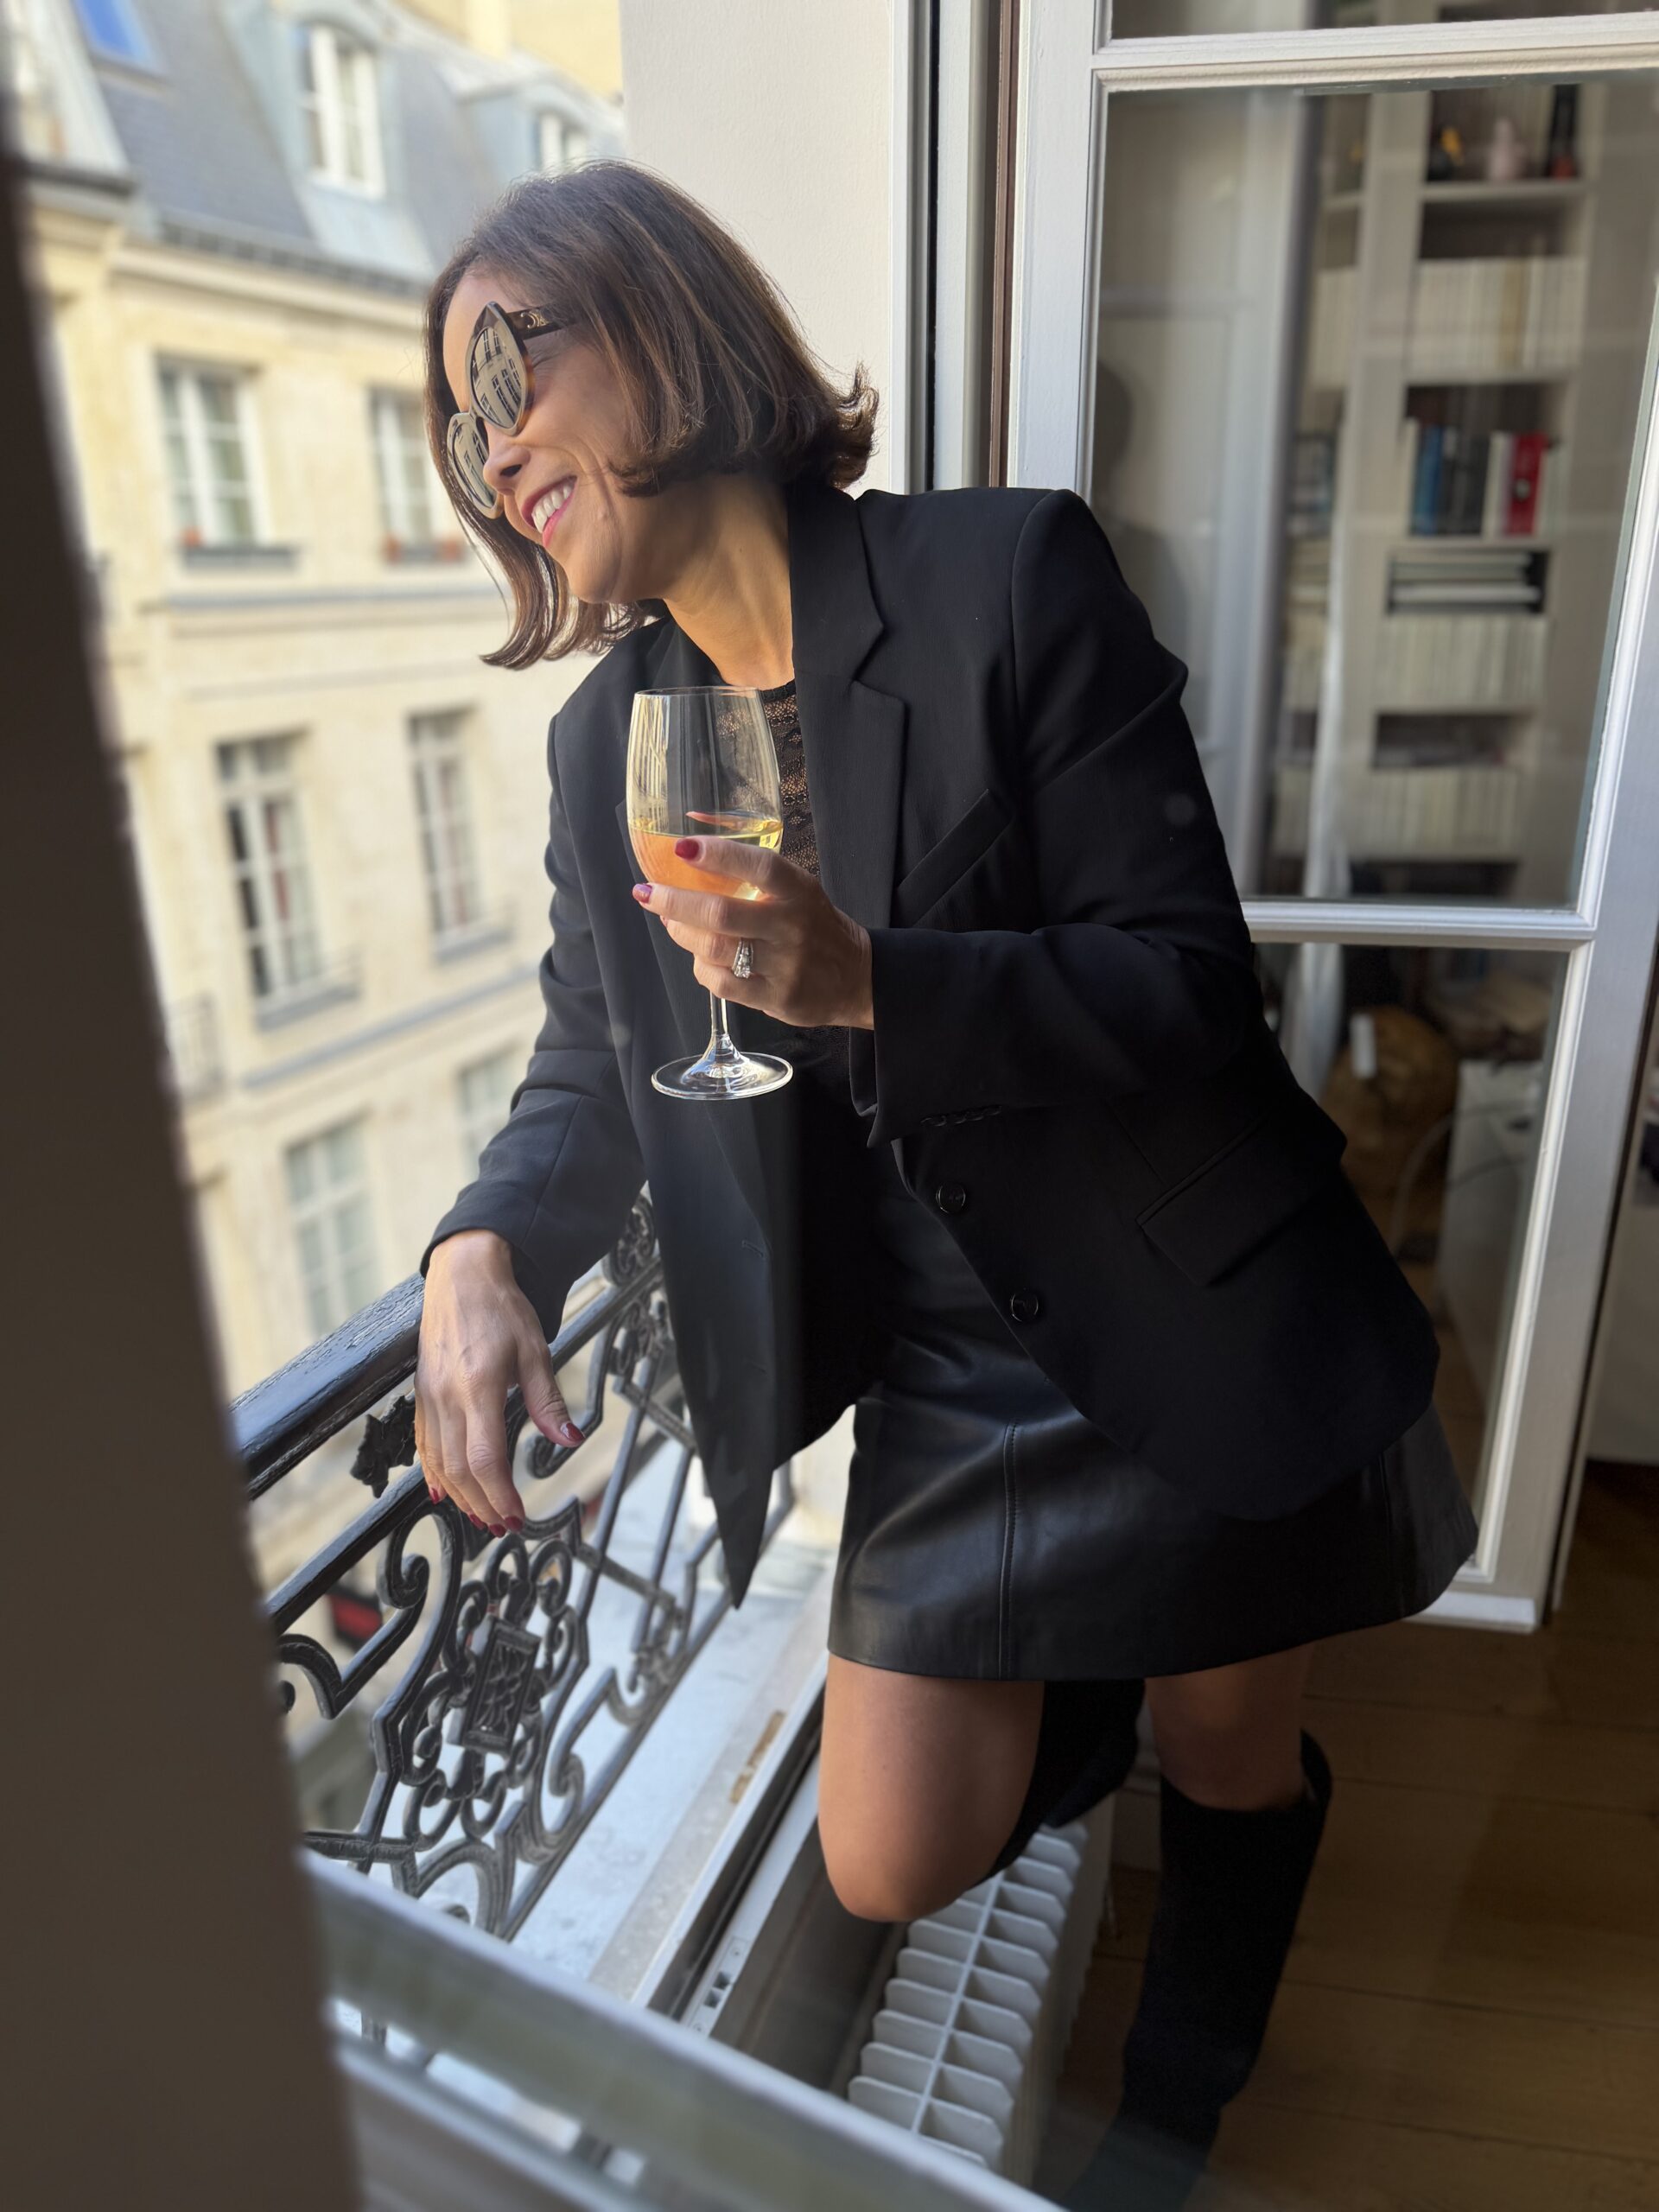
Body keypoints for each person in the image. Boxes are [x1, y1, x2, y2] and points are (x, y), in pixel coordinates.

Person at [413, 158, 1479, 2209]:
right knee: (890, 1847)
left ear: (660, 319)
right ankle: (1086, 1660)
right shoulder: (606, 744)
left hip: (1185, 1283)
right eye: (459, 430)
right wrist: (479, 1245)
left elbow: (1190, 983)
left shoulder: (1005, 576)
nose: (492, 449)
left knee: (1228, 1751)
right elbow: (591, 1055)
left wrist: (875, 983)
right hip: (947, 1368)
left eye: (506, 374)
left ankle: (1175, 2104)